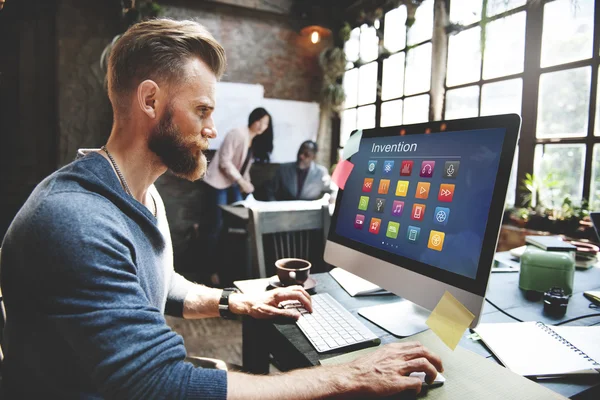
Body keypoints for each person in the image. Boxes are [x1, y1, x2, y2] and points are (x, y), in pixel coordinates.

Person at [0, 18, 443, 399]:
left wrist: (239, 303)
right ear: (150, 101)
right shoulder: (75, 220)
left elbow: (159, 283)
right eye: (203, 110)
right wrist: (351, 376)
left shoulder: (141, 194)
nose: (212, 129)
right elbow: (164, 385)